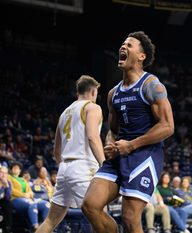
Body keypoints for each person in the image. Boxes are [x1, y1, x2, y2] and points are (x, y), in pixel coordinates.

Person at [82, 31, 174, 233]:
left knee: (130, 218)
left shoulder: (152, 85)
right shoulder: (113, 93)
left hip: (144, 155)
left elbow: (167, 126)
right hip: (120, 153)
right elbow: (112, 131)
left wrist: (131, 145)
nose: (123, 47)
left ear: (141, 56)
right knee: (90, 205)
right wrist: (110, 144)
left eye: (129, 45)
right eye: (122, 44)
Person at [35, 75, 105, 233]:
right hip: (84, 167)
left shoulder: (64, 113)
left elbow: (56, 150)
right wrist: (104, 163)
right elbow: (93, 137)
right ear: (93, 91)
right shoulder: (93, 108)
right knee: (101, 218)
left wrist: (66, 168)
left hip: (64, 168)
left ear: (77, 92)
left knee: (50, 221)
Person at [8, 161, 50, 231]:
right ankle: (36, 227)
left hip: (28, 199)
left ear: (20, 170)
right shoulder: (9, 178)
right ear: (11, 170)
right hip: (15, 199)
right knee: (32, 204)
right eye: (14, 168)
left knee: (46, 204)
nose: (16, 170)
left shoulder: (23, 179)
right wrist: (23, 195)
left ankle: (46, 228)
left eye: (18, 168)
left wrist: (30, 194)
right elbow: (11, 190)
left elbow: (30, 190)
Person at [0, 165, 12, 233]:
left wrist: (6, 186)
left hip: (2, 202)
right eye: (1, 172)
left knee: (8, 204)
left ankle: (7, 227)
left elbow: (8, 197)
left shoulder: (8, 182)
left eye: (5, 173)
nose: (3, 175)